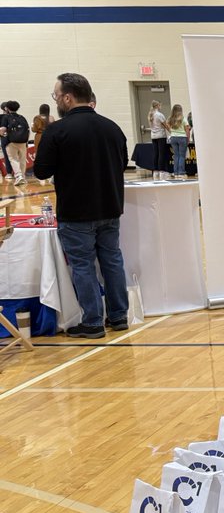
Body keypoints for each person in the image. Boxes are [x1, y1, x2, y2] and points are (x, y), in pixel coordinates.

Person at [33, 73, 129, 339]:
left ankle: (93, 321)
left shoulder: (57, 130)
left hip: (76, 211)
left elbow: (41, 171)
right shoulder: (112, 127)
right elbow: (122, 164)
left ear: (67, 97)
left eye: (56, 96)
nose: (56, 100)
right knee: (112, 260)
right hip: (110, 207)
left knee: (83, 265)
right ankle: (119, 316)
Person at [0, 100, 30, 185]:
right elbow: (27, 130)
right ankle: (23, 177)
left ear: (7, 108)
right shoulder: (22, 117)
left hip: (12, 141)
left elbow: (2, 130)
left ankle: (18, 176)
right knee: (22, 159)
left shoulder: (6, 117)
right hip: (23, 142)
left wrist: (2, 135)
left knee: (13, 159)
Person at [165, 104, 188, 179]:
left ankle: (176, 173)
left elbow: (166, 124)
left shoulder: (171, 119)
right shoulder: (183, 119)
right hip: (182, 138)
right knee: (182, 156)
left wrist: (171, 131)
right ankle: (181, 172)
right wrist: (187, 139)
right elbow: (187, 130)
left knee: (176, 155)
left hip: (173, 138)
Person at [148, 100, 169, 181]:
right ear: (157, 106)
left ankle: (155, 171)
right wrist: (171, 132)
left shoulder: (151, 114)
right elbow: (166, 125)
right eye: (160, 105)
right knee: (161, 154)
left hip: (153, 136)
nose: (161, 106)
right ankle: (161, 171)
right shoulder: (159, 115)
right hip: (160, 136)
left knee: (156, 153)